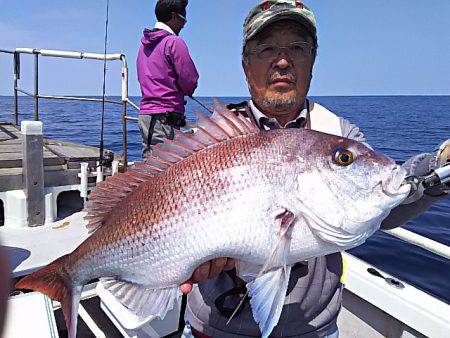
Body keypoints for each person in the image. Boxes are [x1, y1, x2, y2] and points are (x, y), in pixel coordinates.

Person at [179, 1, 449, 337]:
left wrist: (438, 168)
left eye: (297, 48)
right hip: (212, 330)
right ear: (246, 66)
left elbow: (383, 205)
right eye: (267, 49)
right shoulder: (204, 143)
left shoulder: (340, 136)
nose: (282, 61)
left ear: (312, 62)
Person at [137, 0, 199, 157]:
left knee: (150, 167)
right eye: (183, 17)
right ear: (173, 16)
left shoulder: (144, 45)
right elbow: (190, 80)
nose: (185, 23)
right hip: (166, 119)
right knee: (165, 167)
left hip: (146, 117)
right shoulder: (174, 42)